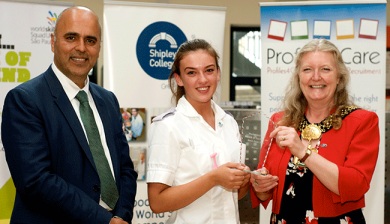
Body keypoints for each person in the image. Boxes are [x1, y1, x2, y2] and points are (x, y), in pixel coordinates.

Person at [1, 7, 137, 224]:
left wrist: (121, 215)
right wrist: (104, 220)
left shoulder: (108, 100)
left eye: (91, 40)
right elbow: (35, 181)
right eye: (71, 37)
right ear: (53, 42)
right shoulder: (24, 100)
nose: (81, 48)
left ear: (99, 48)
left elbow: (125, 169)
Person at [250, 39, 379, 224]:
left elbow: (355, 187)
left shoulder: (362, 121)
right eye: (307, 69)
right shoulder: (280, 121)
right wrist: (260, 186)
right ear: (298, 77)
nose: (316, 77)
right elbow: (264, 192)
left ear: (339, 78)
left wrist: (303, 151)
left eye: (325, 69)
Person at [147, 39, 251, 223]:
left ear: (218, 74)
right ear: (178, 79)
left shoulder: (229, 122)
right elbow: (157, 202)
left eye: (209, 70)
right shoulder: (168, 126)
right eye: (192, 73)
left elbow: (237, 194)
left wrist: (247, 180)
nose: (203, 79)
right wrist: (213, 179)